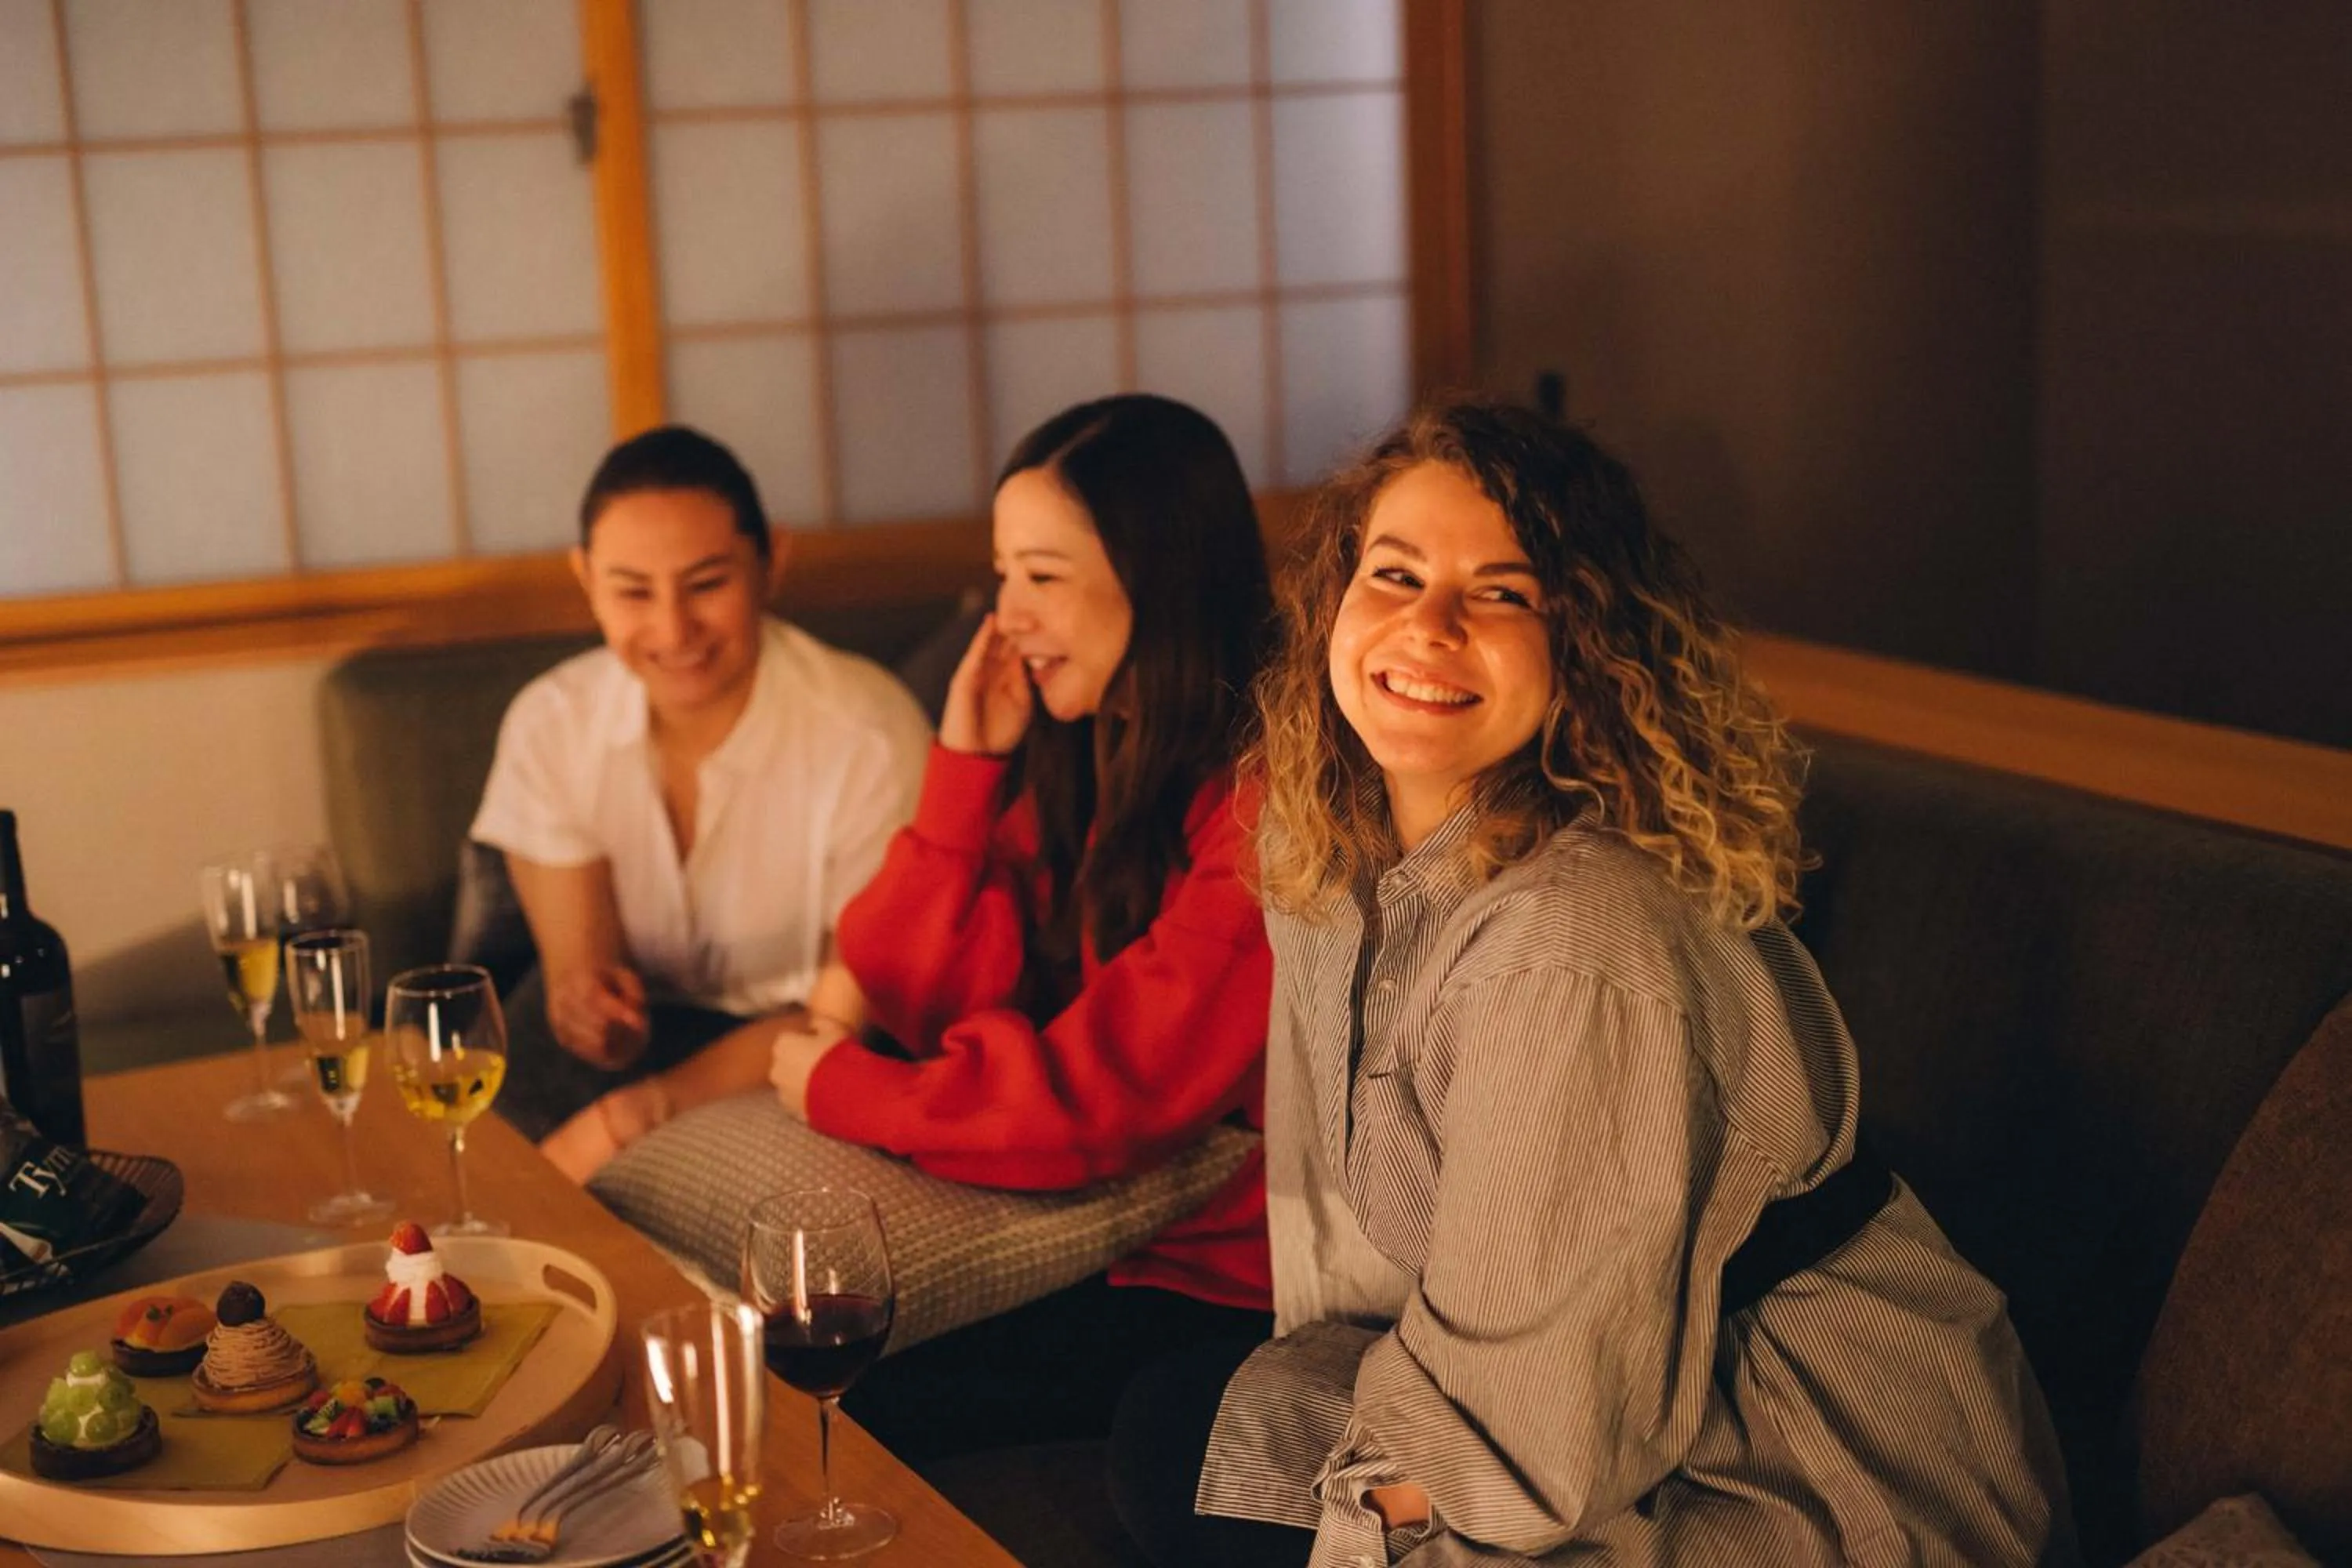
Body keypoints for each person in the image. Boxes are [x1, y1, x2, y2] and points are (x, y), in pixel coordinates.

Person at [1117, 401, 2074, 1566]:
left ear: (1584, 646)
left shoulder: (1570, 943)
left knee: (1256, 1503)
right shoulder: (1349, 850)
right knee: (1172, 1435)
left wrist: (1375, 1519)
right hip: (1611, 1396)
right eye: (1396, 573)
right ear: (1334, 599)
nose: (1429, 627)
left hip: (1813, 1462)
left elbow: (1536, 1446)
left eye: (1503, 593)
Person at [760, 394, 1280, 1459]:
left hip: (1223, 1280)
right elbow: (918, 993)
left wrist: (843, 1088)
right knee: (773, 1360)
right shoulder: (1096, 743)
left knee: (844, 1403)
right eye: (1003, 574)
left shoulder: (1268, 806)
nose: (1007, 614)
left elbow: (1100, 1102)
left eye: (1044, 576)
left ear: (1162, 578)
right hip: (1096, 1240)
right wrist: (962, 774)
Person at [468, 425, 931, 1169]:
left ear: (771, 562)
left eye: (707, 584)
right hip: (653, 1029)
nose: (672, 628)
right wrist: (587, 1008)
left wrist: (635, 1117)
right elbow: (580, 973)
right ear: (586, 578)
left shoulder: (869, 737)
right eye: (632, 591)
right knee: (458, 1169)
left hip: (805, 1041)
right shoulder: (551, 723)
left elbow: (848, 1016)